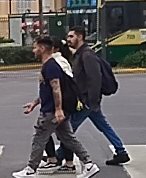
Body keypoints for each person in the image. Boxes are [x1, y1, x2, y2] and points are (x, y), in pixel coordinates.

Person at [12, 36, 100, 178]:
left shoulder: (51, 66)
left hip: (51, 111)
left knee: (39, 138)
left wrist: (58, 109)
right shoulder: (50, 65)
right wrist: (35, 103)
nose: (33, 51)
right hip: (56, 110)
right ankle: (89, 164)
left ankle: (31, 169)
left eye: (35, 47)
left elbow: (56, 88)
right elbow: (47, 90)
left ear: (42, 48)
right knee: (68, 138)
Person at [56, 27, 130, 167]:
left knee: (68, 130)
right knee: (103, 126)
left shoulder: (87, 55)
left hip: (87, 101)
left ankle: (58, 156)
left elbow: (95, 79)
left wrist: (91, 101)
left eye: (71, 36)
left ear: (80, 37)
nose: (68, 39)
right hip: (88, 100)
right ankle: (121, 151)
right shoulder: (80, 54)